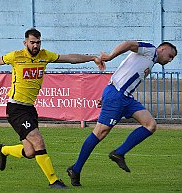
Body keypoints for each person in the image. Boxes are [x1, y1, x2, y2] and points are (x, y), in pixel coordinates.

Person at [0, 28, 105, 189]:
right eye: (32, 42)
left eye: (38, 42)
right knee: (38, 140)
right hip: (15, 108)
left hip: (30, 109)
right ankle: (53, 181)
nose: (35, 45)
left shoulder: (45, 55)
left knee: (30, 152)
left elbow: (70, 58)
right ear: (25, 43)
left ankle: (5, 150)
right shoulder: (16, 56)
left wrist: (92, 58)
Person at [66, 41, 177, 187]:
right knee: (100, 133)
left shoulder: (150, 61)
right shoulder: (150, 50)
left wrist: (106, 97)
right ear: (162, 48)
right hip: (117, 95)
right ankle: (75, 169)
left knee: (150, 125)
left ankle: (119, 153)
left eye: (172, 59)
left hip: (126, 98)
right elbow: (128, 44)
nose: (169, 60)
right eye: (170, 55)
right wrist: (111, 56)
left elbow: (123, 73)